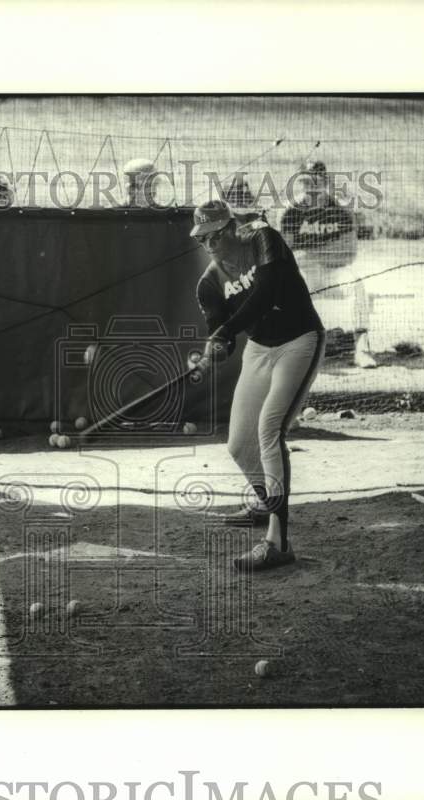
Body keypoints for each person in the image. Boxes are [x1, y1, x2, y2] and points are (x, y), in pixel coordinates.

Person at [189, 199, 326, 571]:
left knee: (269, 430)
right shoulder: (209, 283)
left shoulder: (264, 238)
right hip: (260, 350)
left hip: (299, 341)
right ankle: (267, 502)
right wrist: (217, 347)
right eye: (203, 239)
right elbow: (224, 335)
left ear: (232, 227)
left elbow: (267, 294)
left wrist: (225, 330)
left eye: (216, 235)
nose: (210, 245)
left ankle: (278, 542)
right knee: (237, 444)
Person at [280, 160, 377, 368]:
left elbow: (349, 254)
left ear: (325, 182)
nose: (310, 188)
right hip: (305, 274)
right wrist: (321, 253)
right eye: (305, 182)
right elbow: (284, 258)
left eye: (315, 182)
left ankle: (362, 348)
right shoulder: (291, 211)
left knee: (356, 283)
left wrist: (310, 255)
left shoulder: (340, 210)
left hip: (333, 272)